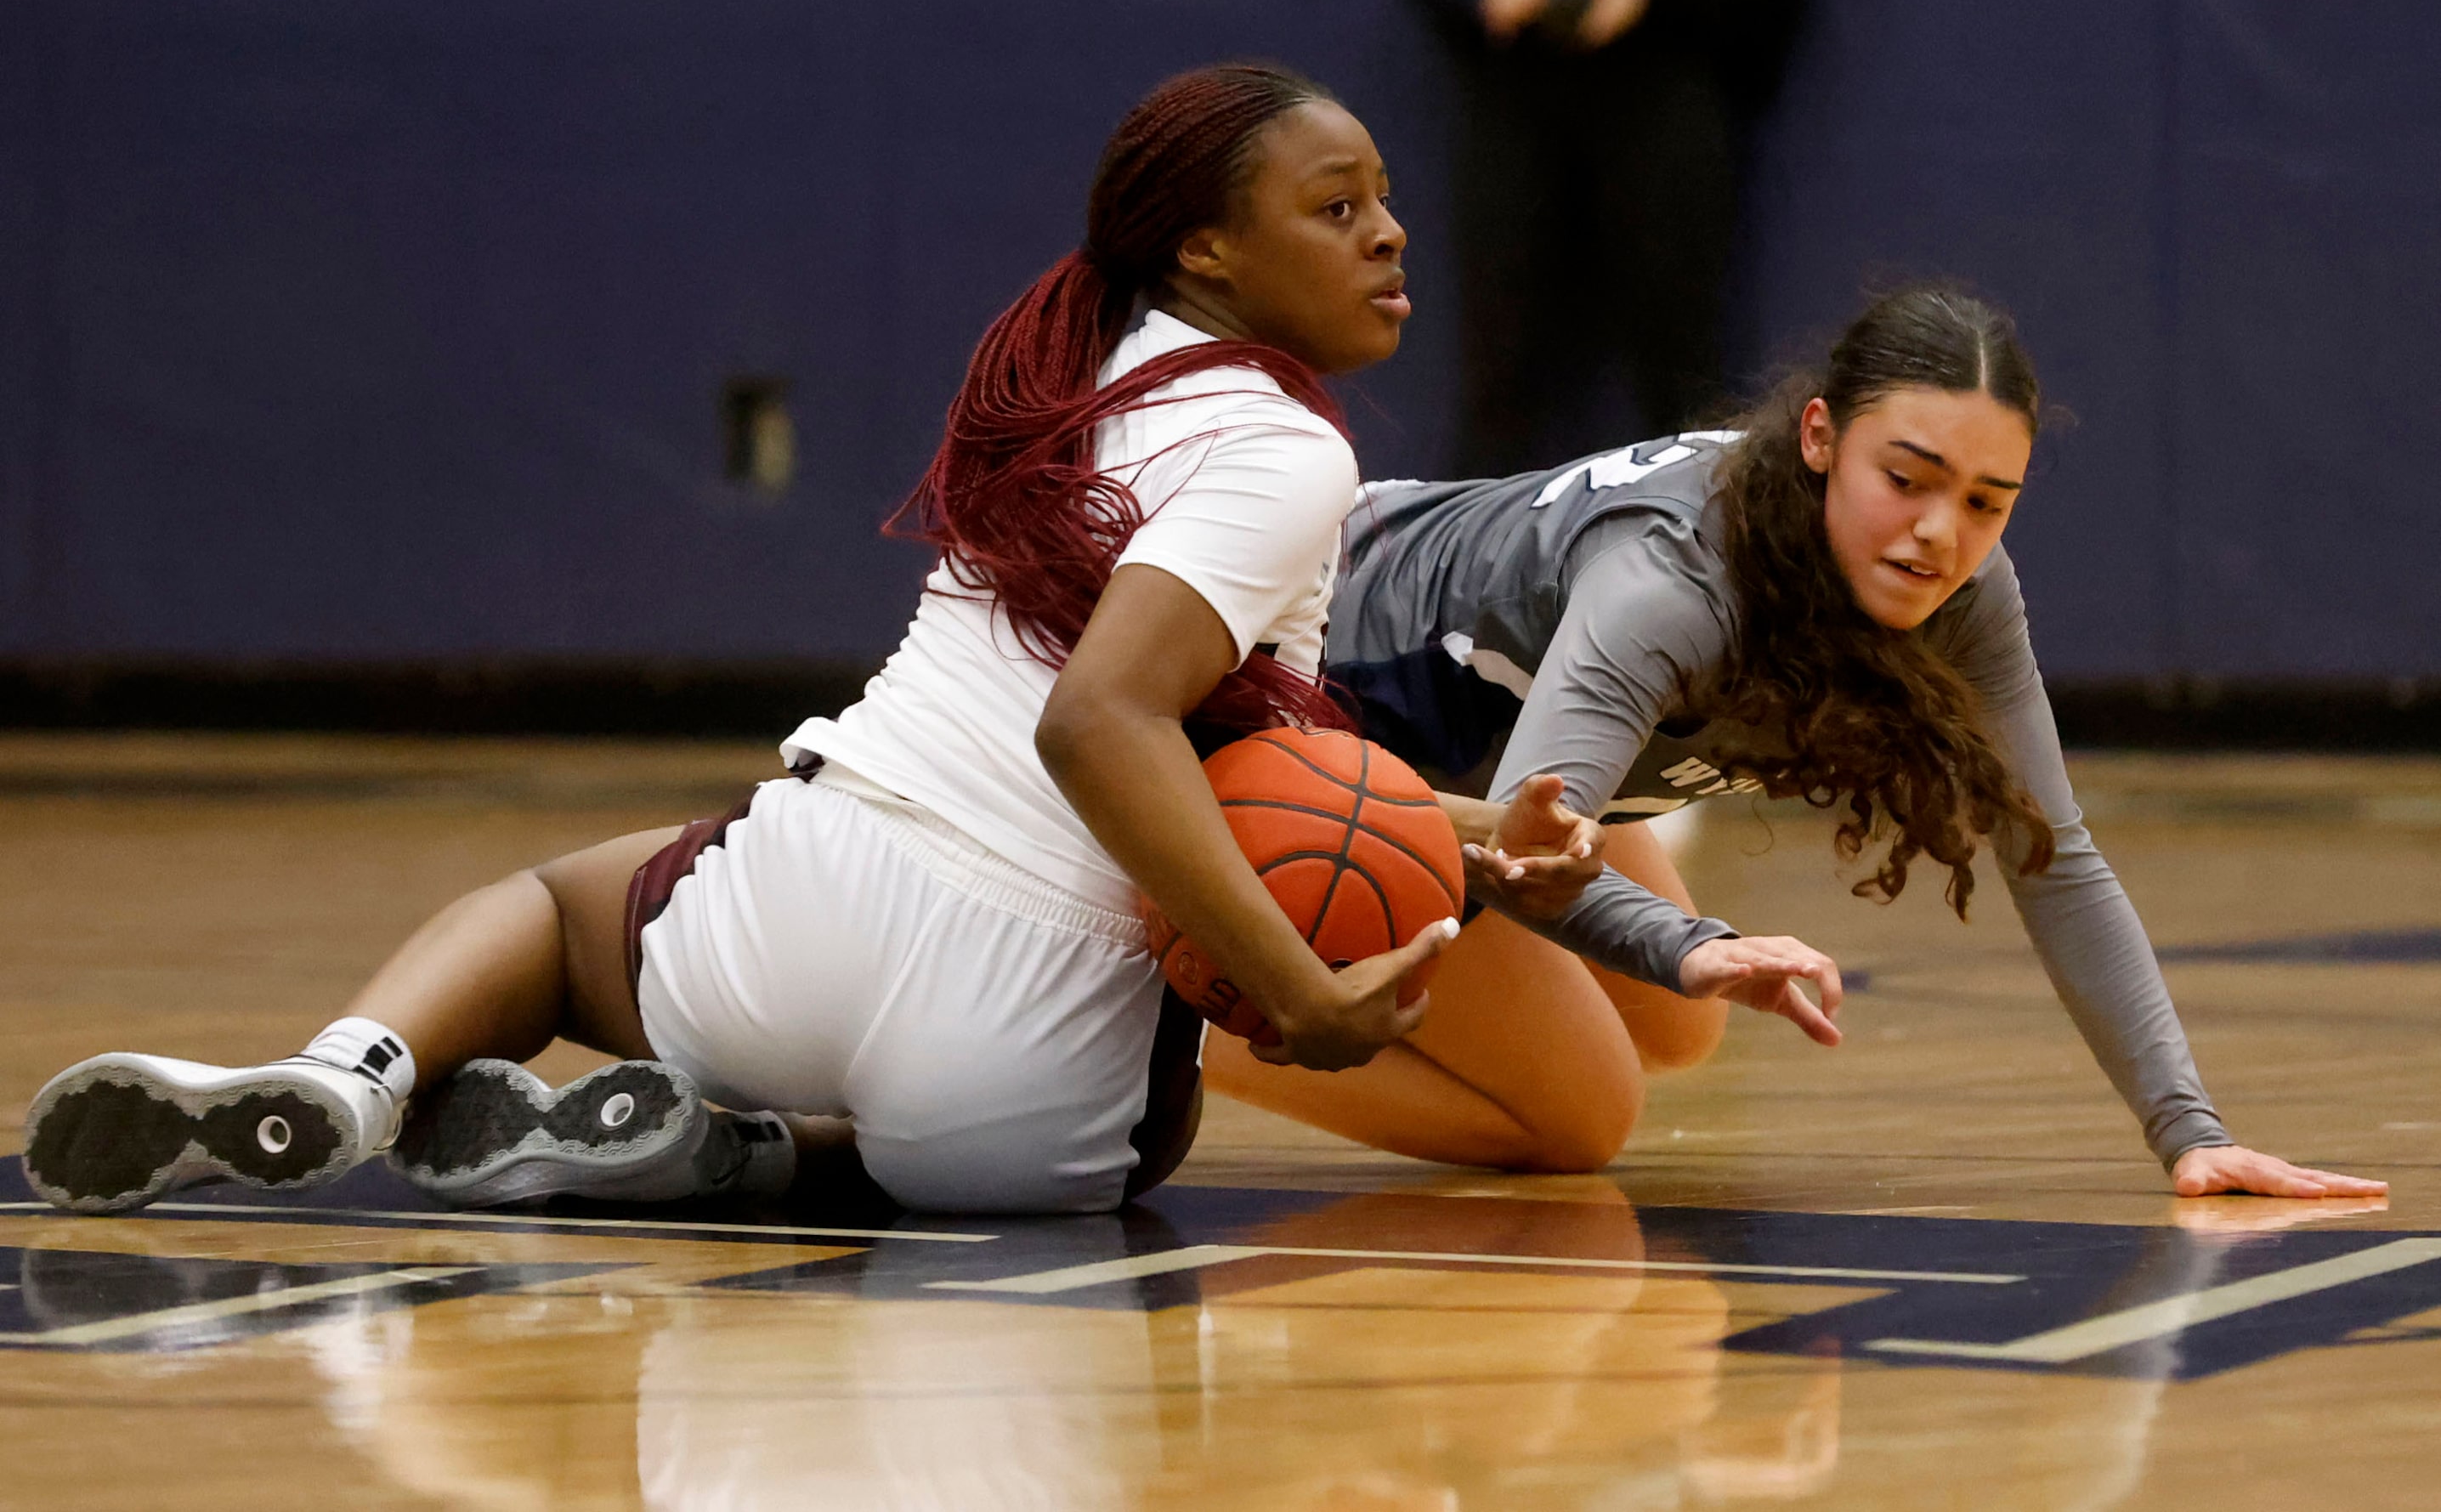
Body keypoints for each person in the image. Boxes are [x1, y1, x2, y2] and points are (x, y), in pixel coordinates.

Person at [21, 64, 1476, 1219]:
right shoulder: (1285, 449)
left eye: (1384, 201)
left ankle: (346, 1077)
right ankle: (759, 1159)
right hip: (1021, 1071)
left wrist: (1474, 837)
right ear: (1207, 246)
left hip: (793, 919)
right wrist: (1292, 991)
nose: (1389, 232)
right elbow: (1100, 721)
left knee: (546, 909)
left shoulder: (1068, 382)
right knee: (1138, 1130)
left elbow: (1174, 726)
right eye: (1336, 207)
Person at [1207, 284, 2387, 1201]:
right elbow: (1525, 855)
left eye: (1987, 500)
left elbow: (2056, 855)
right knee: (1581, 1118)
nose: (1940, 533)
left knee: (1680, 1020)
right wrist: (1692, 937)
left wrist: (2190, 1130)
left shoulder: (1965, 595)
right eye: (1909, 478)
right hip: (1302, 684)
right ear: (1819, 435)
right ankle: (1199, 1016)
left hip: (1500, 759)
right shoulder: (1669, 579)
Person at [1398, 0, 1815, 477]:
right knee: (1499, 373)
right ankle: (1470, 557)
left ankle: (1700, 549)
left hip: (1670, 61)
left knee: (1684, 374)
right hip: (1513, 67)